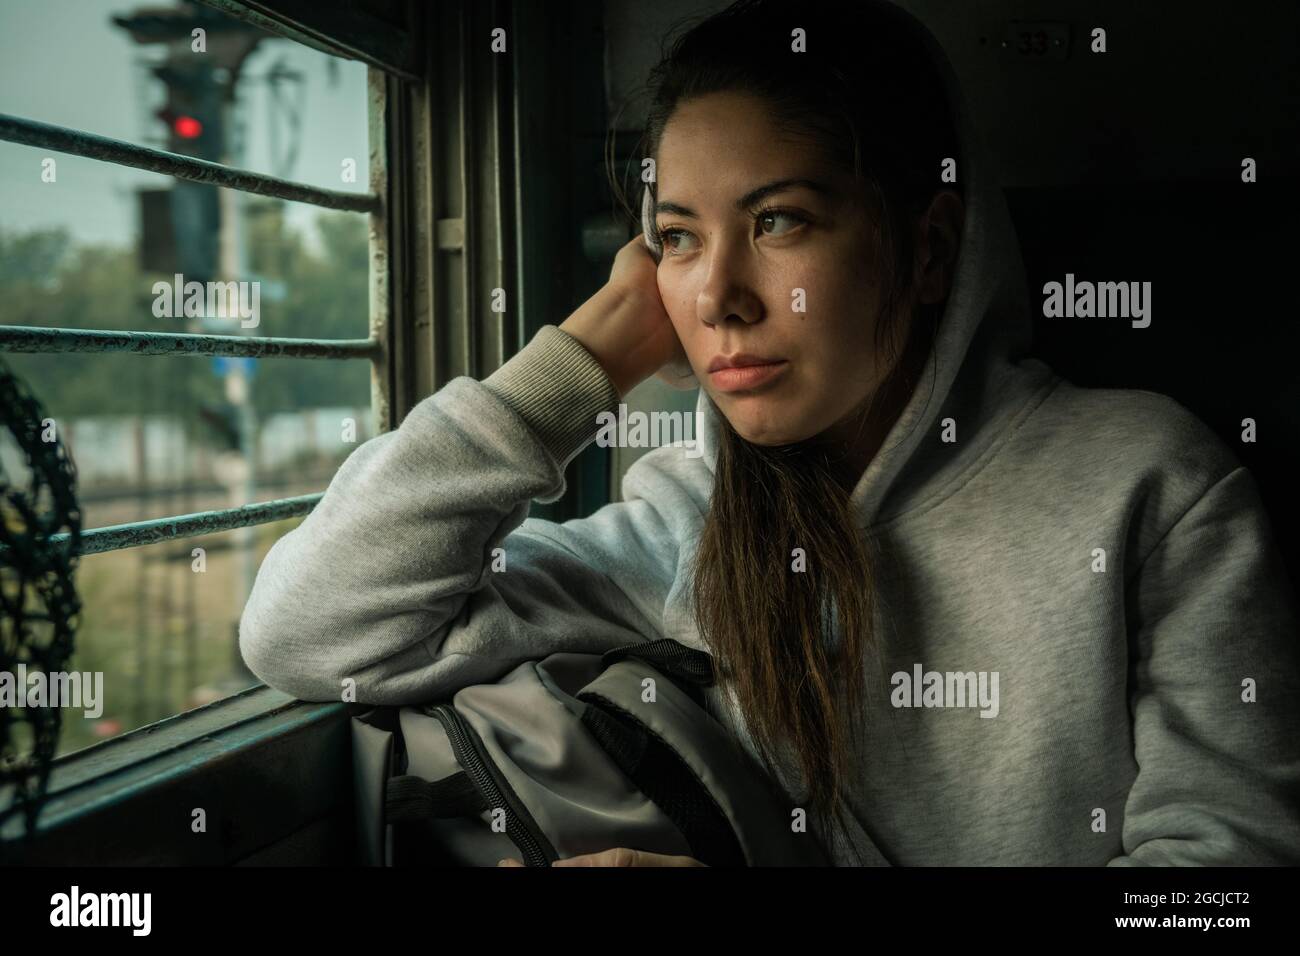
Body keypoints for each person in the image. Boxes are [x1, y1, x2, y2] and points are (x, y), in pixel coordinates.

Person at [238, 0, 1300, 866]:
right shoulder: (689, 515)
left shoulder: (1148, 480)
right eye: (676, 239)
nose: (719, 297)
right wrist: (583, 358)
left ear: (927, 249)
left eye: (778, 220)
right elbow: (312, 631)